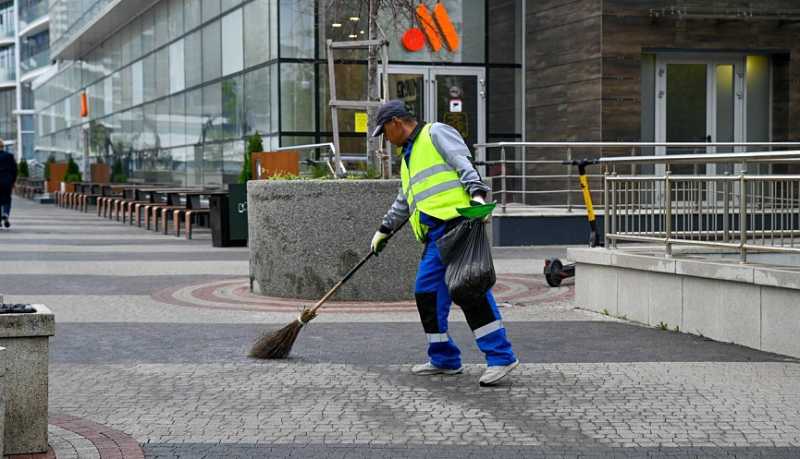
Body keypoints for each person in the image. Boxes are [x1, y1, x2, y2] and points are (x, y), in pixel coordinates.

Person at [369, 100, 518, 386]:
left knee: (470, 288)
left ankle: (501, 357)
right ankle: (444, 358)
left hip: (458, 224)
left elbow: (464, 164)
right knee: (426, 292)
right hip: (435, 235)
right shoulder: (408, 156)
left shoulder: (435, 133)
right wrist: (383, 230)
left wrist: (478, 196)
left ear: (395, 123)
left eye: (384, 132)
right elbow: (405, 200)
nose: (385, 139)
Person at [0, 140, 16, 229]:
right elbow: (14, 170)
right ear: (3, 146)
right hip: (7, 181)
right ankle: (5, 213)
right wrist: (13, 181)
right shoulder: (9, 156)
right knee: (7, 199)